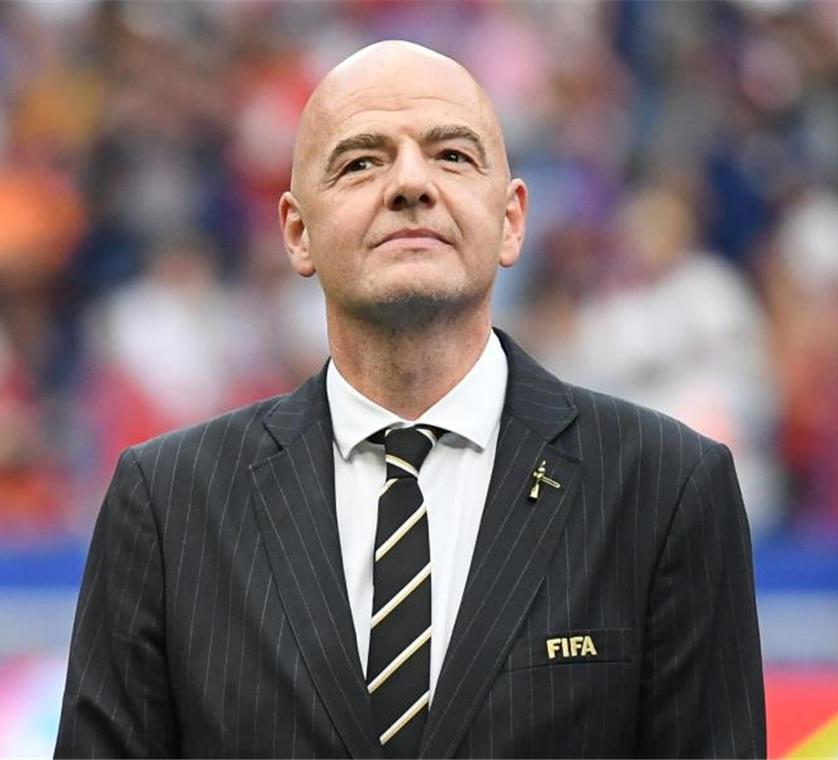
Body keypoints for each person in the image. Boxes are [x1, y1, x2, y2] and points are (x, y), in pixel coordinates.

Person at [55, 41, 765, 759]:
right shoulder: (169, 503)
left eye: (451, 156)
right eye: (361, 162)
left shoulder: (666, 487)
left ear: (512, 220)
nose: (410, 184)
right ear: (297, 233)